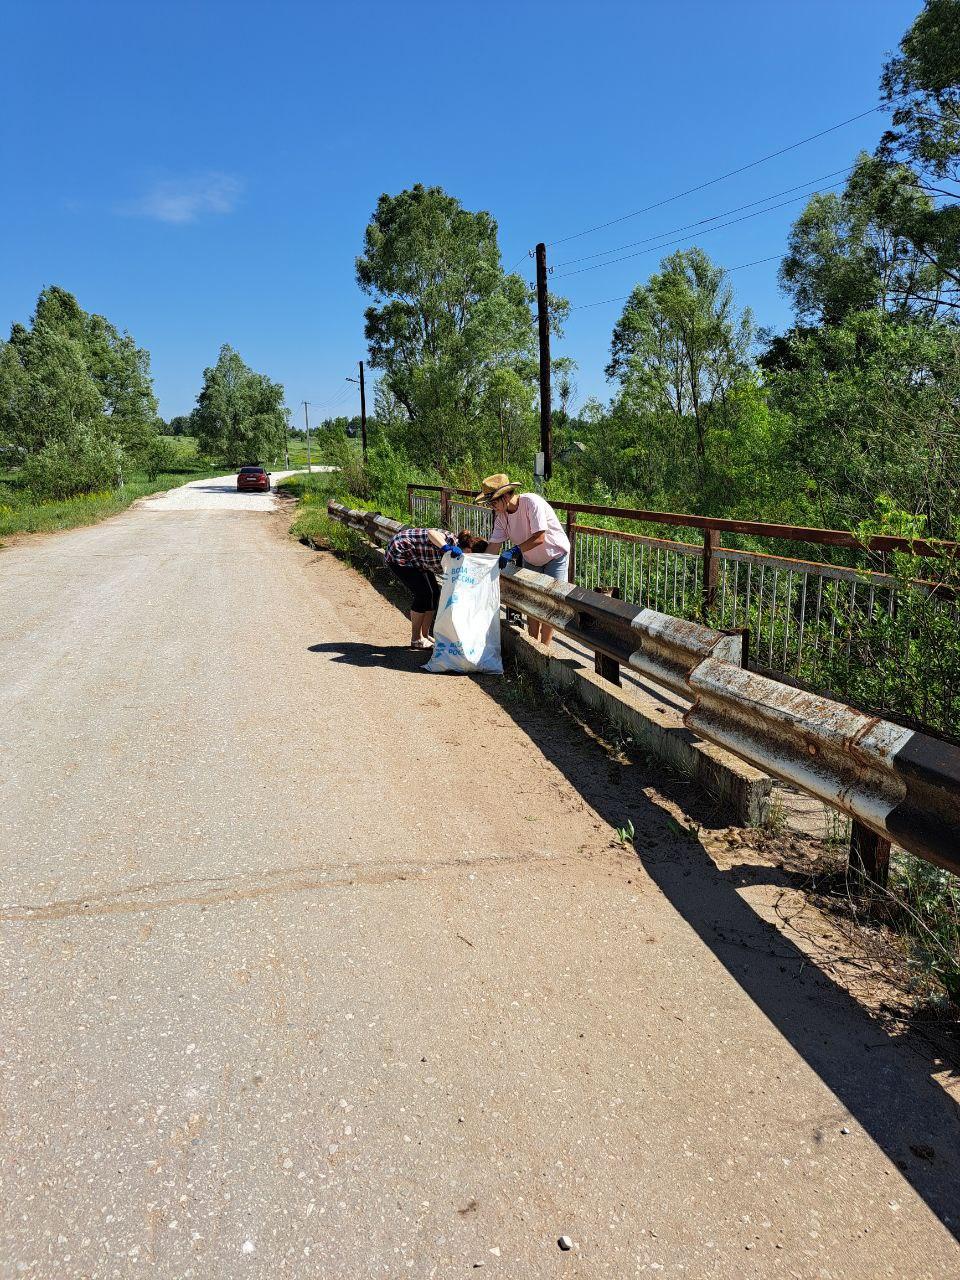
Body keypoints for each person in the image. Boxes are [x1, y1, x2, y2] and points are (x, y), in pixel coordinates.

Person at [475, 473, 570, 648]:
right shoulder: (502, 517)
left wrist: (514, 550)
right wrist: (477, 568)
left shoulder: (531, 502)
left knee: (549, 601)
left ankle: (545, 647)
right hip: (531, 557)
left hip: (554, 554)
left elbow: (540, 536)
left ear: (505, 496)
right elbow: (493, 547)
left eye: (493, 501)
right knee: (533, 600)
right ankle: (534, 644)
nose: (492, 506)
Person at [384, 526, 484, 648]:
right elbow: (432, 533)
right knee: (423, 594)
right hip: (400, 553)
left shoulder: (461, 558)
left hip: (419, 560)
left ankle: (425, 636)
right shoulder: (452, 541)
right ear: (469, 550)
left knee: (434, 593)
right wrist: (446, 548)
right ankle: (416, 639)